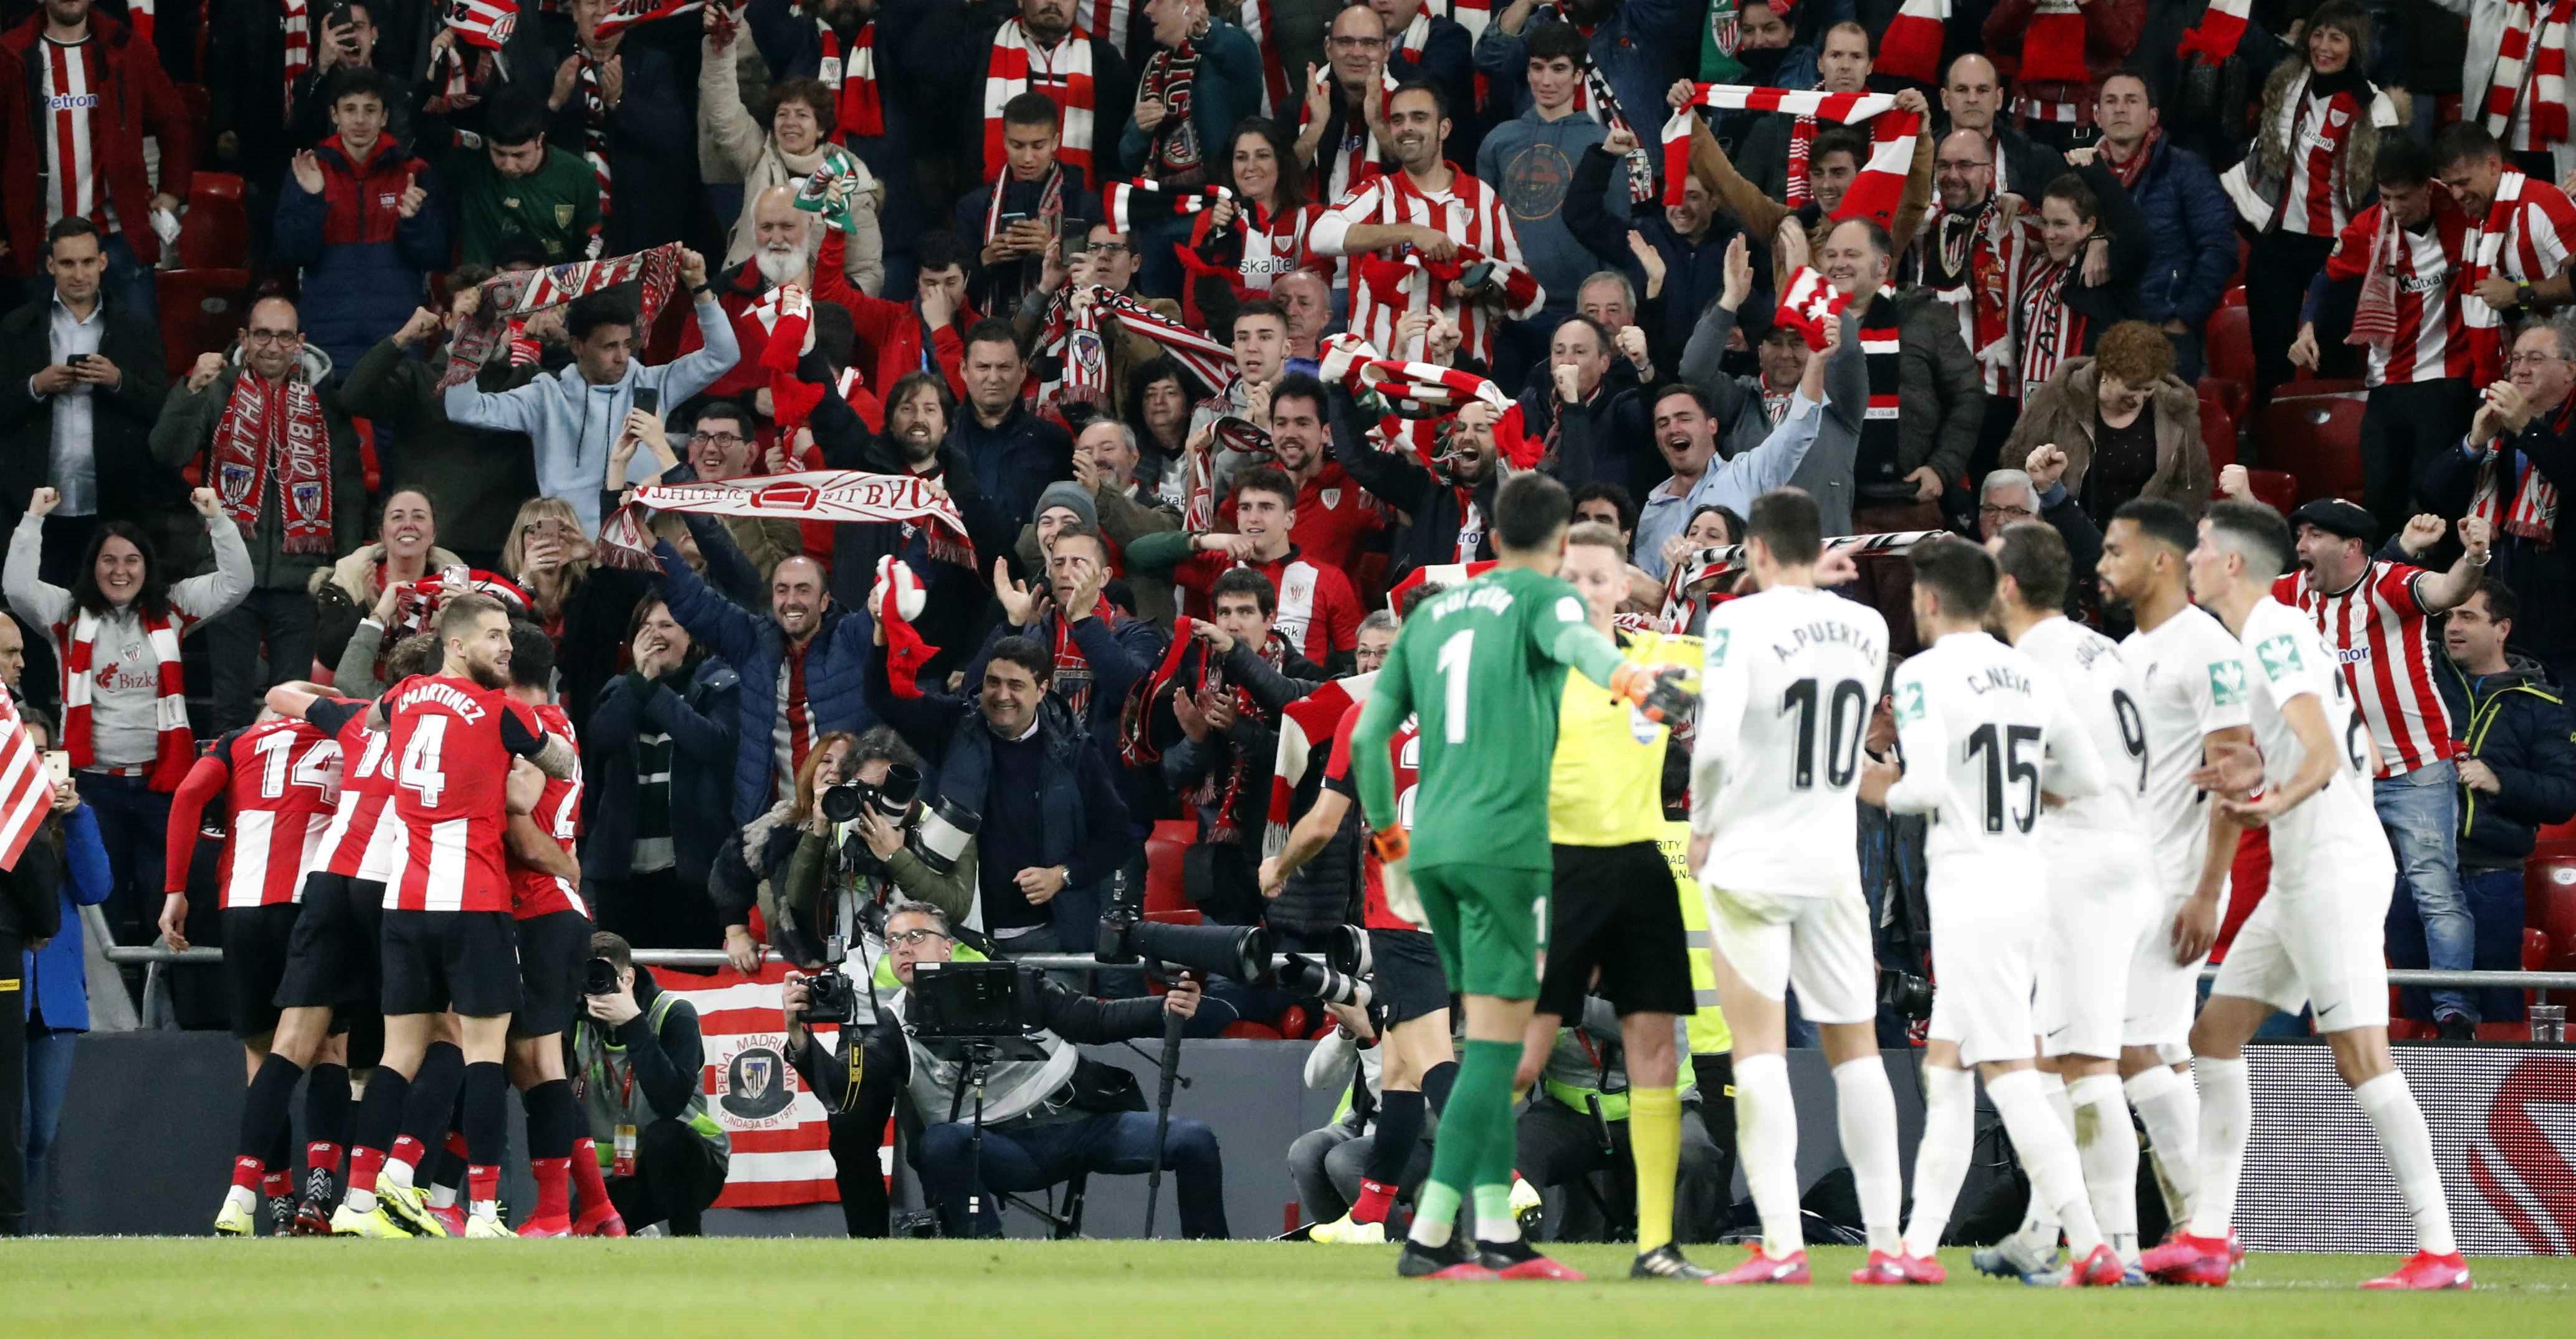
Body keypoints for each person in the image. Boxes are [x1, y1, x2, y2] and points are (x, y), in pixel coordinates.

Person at [1350, 470, 1697, 1281]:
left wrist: (1392, 844)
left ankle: (1498, 1232)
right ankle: (1433, 1235)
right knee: (1496, 1057)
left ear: (1494, 533)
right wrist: (1635, 681)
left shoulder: (1431, 614)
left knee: (1488, 1048)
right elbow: (1585, 648)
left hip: (1427, 848)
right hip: (1507, 849)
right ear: (1552, 547)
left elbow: (1370, 737)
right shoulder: (1548, 605)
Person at [2144, 501, 2468, 1291]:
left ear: (2232, 565)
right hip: (2300, 868)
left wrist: (2271, 802)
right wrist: (2250, 781)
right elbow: (2298, 747)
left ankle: (2440, 1249)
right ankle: (2209, 1237)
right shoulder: (2265, 634)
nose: (2189, 560)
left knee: (2361, 1056)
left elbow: (2320, 750)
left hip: (2332, 863)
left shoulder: (2275, 631)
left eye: (2202, 549)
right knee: (2214, 1040)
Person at [1862, 536, 2119, 1287]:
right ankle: (1915, 1250)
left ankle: (2092, 1241)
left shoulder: (1920, 674)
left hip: (1973, 888)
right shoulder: (2028, 673)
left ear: (1931, 600)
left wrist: (1862, 780)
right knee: (1947, 1069)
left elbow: (1923, 788)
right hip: (2029, 881)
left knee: (2006, 1070)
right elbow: (2088, 776)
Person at [1684, 487, 1904, 1285]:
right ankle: (1888, 1246)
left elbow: (1713, 745)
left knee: (1759, 1052)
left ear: (1758, 552)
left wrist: (1703, 824)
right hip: (1832, 859)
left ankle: (1782, 1246)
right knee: (1857, 1052)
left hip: (1752, 856)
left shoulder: (1738, 620)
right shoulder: (1871, 626)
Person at [324, 594, 579, 1239]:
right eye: (495, 636)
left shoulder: (404, 694)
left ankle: (357, 1200)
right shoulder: (502, 710)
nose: (506, 648)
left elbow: (371, 718)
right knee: (484, 1055)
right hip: (474, 901)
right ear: (459, 644)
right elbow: (563, 762)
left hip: (405, 902)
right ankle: (486, 1212)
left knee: (398, 1055)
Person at [781, 903, 1226, 1238]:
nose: (903, 947)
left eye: (916, 935)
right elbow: (845, 1091)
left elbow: (1093, 1020)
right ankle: (991, 1267)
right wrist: (799, 1036)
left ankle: (1215, 1269)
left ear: (948, 946)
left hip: (1082, 1121)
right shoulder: (891, 1026)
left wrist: (1162, 1006)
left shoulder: (1014, 980)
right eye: (894, 940)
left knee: (1195, 1140)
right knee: (939, 1141)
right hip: (1000, 1148)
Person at [1519, 520, 1713, 1279]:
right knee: (1519, 1058)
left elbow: (1708, 695)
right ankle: (1460, 1222)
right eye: (1571, 579)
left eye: (1600, 578)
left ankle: (1657, 1245)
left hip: (1638, 870)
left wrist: (1668, 590)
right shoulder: (1531, 671)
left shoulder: (1663, 659)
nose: (1586, 591)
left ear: (1622, 585)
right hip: (1553, 867)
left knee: (1656, 1054)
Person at [1980, 521, 2159, 1275]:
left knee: (2086, 1066)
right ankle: (2040, 1231)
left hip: (2078, 863)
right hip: (2128, 854)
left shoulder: (2026, 665)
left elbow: (2031, 780)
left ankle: (2113, 1247)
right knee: (2060, 1059)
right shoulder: (2100, 646)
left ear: (2009, 587)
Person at [239, 631, 445, 1236]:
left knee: (300, 1043)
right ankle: (384, 1192)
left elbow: (279, 693)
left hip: (325, 883)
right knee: (422, 1043)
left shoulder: (355, 718)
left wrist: (342, 695)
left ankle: (244, 1195)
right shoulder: (443, 730)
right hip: (399, 889)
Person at [2090, 498, 2256, 1244]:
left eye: (2115, 550)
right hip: (2126, 876)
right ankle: (2200, 1223)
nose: (2103, 565)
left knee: (2134, 1048)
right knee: (2149, 1052)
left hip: (2174, 883)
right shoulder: (2127, 654)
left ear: (2161, 559)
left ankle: (2203, 1223)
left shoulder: (2209, 650)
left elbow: (2234, 774)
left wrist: (2207, 890)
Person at [1262, 607, 1456, 1245]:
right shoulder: (1469, 716)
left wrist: (1278, 865)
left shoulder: (1365, 719)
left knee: (1430, 1061)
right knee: (1400, 1067)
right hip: (1465, 905)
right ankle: (1369, 1216)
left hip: (1402, 909)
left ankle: (1502, 1177)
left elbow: (1320, 824)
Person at [2273, 497, 2494, 1034]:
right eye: (2299, 534)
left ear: (2351, 547)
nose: (2300, 546)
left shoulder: (2393, 584)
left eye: (2313, 536)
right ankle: (2328, 1011)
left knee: (2434, 889)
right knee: (2324, 891)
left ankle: (2455, 1014)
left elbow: (2448, 590)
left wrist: (2475, 557)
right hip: (2338, 775)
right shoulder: (2289, 593)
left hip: (2415, 765)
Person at [7, 487, 249, 947]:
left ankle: (168, 1013)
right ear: (92, 566)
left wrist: (218, 518)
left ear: (147, 565)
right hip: (95, 788)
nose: (120, 570)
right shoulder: (67, 613)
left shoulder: (174, 607)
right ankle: (111, 1015)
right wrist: (34, 517)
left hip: (163, 786)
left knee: (167, 905)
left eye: (131, 560)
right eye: (109, 560)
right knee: (104, 905)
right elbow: (18, 589)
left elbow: (237, 582)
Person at [161, 697, 347, 1237]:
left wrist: (176, 888)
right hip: (312, 904)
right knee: (330, 1048)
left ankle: (277, 1200)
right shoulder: (344, 733)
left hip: (241, 905)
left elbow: (189, 794)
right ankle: (319, 1191)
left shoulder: (239, 739)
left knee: (262, 1056)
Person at [152, 297, 368, 731]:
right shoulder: (217, 388)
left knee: (293, 710)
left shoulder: (325, 399)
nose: (273, 345)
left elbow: (347, 487)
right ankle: (225, 797)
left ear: (300, 342)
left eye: (285, 335)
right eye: (263, 334)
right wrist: (190, 388)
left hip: (302, 578)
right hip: (231, 574)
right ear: (244, 339)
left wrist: (344, 569)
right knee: (229, 707)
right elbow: (166, 451)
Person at [864, 633, 1133, 955]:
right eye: (993, 682)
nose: (1001, 695)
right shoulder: (953, 725)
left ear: (1042, 690)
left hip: (1049, 939)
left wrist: (1063, 875)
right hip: (958, 937)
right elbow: (882, 698)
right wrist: (882, 635)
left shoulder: (1075, 750)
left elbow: (1118, 836)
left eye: (1016, 685)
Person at [443, 263, 737, 535]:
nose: (622, 356)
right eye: (609, 346)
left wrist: (700, 288)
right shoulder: (546, 395)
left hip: (646, 544)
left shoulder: (656, 383)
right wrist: (470, 333)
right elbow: (464, 409)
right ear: (577, 346)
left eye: (627, 344)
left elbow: (724, 355)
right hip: (568, 549)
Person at [2293, 137, 2477, 538]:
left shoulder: (2464, 213)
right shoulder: (2369, 228)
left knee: (2433, 498)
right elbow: (2326, 279)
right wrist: (2307, 327)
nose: (2393, 208)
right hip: (2387, 381)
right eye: (2385, 197)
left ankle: (2434, 589)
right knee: (2379, 496)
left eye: (2403, 198)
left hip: (2446, 378)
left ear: (2429, 187)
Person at [2222, 3, 2400, 405]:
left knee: (2333, 358)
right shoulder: (2287, 82)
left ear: (2356, 46)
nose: (2324, 47)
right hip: (2277, 243)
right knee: (2271, 356)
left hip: (2335, 251)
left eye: (2337, 38)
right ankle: (2270, 448)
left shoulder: (2376, 108)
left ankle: (2335, 452)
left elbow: (2380, 197)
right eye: (2318, 35)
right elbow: (2245, 38)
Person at [1309, 82, 1544, 371]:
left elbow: (1526, 297)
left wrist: (1480, 285)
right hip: (1382, 380)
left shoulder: (1484, 199)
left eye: (1419, 118)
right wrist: (1411, 232)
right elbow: (1320, 235)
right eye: (1397, 120)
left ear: (1444, 129)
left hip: (1460, 381)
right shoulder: (1378, 191)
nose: (1406, 127)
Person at [0, 218, 177, 592]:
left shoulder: (137, 329)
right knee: (37, 626)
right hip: (34, 507)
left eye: (86, 262)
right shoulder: (16, 328)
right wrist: (36, 385)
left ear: (103, 262)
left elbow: (163, 410)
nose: (78, 274)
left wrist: (119, 381)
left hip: (114, 505)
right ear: (50, 266)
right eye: (67, 264)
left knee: (104, 626)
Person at [2435, 583, 2576, 1025]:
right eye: (2449, 616)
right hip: (2414, 872)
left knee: (2496, 1014)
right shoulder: (2423, 678)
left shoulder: (2544, 703)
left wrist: (2500, 782)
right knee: (2417, 1015)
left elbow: (2562, 797)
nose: (2453, 626)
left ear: (2503, 628)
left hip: (2491, 875)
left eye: (2468, 617)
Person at [0, 0, 191, 318]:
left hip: (117, 239)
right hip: (38, 244)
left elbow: (175, 121)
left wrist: (171, 192)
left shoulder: (127, 48)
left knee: (135, 361)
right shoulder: (10, 56)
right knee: (42, 365)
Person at [338, 292, 545, 569]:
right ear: (448, 321)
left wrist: (563, 342)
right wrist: (402, 338)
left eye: (487, 317)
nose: (476, 329)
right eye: (467, 319)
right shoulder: (416, 379)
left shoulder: (526, 381)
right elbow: (353, 398)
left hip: (504, 551)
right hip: (432, 550)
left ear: (505, 324)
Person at [1629, 308, 1843, 576]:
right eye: (1663, 423)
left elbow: (1798, 428)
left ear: (1712, 426)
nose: (1673, 428)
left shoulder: (1747, 473)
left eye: (1684, 418)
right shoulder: (1652, 510)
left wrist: (1817, 360)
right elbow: (1650, 590)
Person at [2422, 315, 2576, 682]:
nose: (2520, 370)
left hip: (2564, 619)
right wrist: (2473, 444)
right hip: (2499, 609)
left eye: (2536, 359)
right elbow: (2431, 495)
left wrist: (2529, 429)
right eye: (2516, 360)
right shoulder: (2497, 426)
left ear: (2570, 371)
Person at [583, 596, 740, 954]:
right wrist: (639, 683)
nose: (654, 635)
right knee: (622, 984)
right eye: (645, 627)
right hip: (620, 876)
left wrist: (651, 688)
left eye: (666, 625)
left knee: (692, 988)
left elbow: (711, 744)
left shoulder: (720, 687)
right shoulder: (619, 689)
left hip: (693, 875)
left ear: (692, 635)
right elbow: (601, 737)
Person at [1474, 24, 1628, 382]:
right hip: (1509, 312)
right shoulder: (1498, 141)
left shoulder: (1603, 143)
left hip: (1577, 315)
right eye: (1537, 67)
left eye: (1558, 68)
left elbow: (1615, 233)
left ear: (1578, 75)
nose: (1546, 80)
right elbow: (1481, 230)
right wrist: (1486, 299)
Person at [7, 703, 110, 1237]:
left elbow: (96, 889)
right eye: (26, 751)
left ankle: (13, 1228)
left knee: (41, 1130)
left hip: (57, 996)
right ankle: (12, 1231)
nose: (37, 762)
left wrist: (79, 814)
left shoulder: (67, 821)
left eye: (44, 753)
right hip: (8, 983)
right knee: (13, 1127)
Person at [270, 67, 449, 374]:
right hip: (326, 336)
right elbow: (291, 254)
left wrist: (414, 221)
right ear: (334, 115)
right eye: (350, 109)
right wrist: (313, 200)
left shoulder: (414, 171)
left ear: (384, 116)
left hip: (398, 335)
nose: (360, 120)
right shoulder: (309, 171)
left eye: (370, 110)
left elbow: (436, 255)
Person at [700, 14, 885, 295]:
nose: (789, 123)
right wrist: (719, 48)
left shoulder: (851, 180)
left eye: (802, 115)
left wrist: (830, 309)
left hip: (817, 308)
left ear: (821, 128)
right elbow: (722, 110)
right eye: (782, 114)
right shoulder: (759, 155)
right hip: (749, 295)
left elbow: (867, 270)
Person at [572, 930, 730, 1236]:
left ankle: (688, 1237)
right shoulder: (576, 1020)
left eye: (602, 976)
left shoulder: (674, 1013)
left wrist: (633, 1025)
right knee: (583, 1233)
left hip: (693, 1163)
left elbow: (670, 1102)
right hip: (624, 1172)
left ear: (628, 978)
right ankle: (641, 1234)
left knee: (666, 1136)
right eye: (587, 978)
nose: (595, 988)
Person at [1130, 463, 1362, 667]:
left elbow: (1351, 662)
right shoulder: (1218, 565)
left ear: (1290, 519)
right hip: (1223, 700)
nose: (1253, 518)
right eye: (1245, 508)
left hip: (1292, 703)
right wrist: (1205, 540)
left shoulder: (1328, 579)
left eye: (1266, 508)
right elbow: (1137, 554)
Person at [2087, 69, 2236, 383]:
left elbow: (2220, 248)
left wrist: (2182, 319)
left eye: (2132, 100)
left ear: (2152, 115)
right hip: (2099, 329)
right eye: (2111, 101)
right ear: (2097, 116)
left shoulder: (2185, 169)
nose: (2121, 109)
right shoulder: (2084, 172)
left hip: (2164, 332)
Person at [2005, 319, 2211, 529]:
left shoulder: (2175, 410)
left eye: (2148, 389)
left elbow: (2192, 485)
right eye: (2132, 388)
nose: (2139, 399)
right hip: (2062, 534)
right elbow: (2016, 461)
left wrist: (2160, 534)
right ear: (2108, 372)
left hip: (2140, 542)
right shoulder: (2061, 397)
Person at [545, 0, 694, 259]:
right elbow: (523, 139)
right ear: (575, 12)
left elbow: (673, 137)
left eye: (613, 3)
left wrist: (618, 104)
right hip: (563, 215)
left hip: (635, 215)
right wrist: (555, 101)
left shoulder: (653, 63)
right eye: (592, 3)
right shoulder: (549, 62)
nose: (602, 12)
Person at [958, 93, 1105, 316]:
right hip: (992, 328)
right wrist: (985, 259)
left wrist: (1054, 250)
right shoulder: (974, 206)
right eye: (1018, 146)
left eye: (1038, 146)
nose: (1027, 158)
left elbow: (1103, 278)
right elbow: (956, 289)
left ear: (1055, 142)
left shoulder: (1085, 204)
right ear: (1005, 141)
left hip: (1064, 326)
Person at [454, 92, 603, 267]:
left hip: (556, 284)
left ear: (539, 140)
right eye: (500, 153)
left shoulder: (578, 175)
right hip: (486, 283)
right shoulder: (476, 162)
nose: (508, 165)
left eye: (519, 155)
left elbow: (593, 237)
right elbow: (430, 132)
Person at [1978, 0, 2144, 154]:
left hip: (2090, 119)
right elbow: (1993, 34)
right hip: (2025, 117)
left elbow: (2124, 43)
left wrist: (2091, 4)